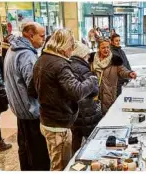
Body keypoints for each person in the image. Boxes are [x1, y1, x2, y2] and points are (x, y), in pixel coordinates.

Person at [31, 29, 99, 171]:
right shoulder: (60, 64)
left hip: (46, 121)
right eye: (70, 47)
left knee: (55, 160)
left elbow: (31, 90)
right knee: (60, 167)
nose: (71, 52)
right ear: (63, 46)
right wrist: (92, 80)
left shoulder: (41, 59)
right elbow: (77, 92)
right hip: (58, 125)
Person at [4, 22, 50, 170]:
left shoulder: (13, 50)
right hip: (31, 112)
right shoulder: (26, 55)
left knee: (24, 150)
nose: (43, 39)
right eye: (41, 36)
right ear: (31, 35)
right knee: (37, 156)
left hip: (20, 110)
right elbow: (34, 87)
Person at [88, 39, 137, 115]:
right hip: (95, 94)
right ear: (98, 48)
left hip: (109, 94)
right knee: (96, 116)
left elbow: (122, 70)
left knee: (108, 115)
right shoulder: (92, 60)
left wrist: (129, 73)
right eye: (103, 48)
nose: (106, 49)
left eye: (108, 47)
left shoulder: (114, 60)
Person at [70, 41, 102, 154]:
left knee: (76, 138)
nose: (89, 57)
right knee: (91, 139)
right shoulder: (82, 69)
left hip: (73, 110)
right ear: (82, 55)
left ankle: (74, 163)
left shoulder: (68, 65)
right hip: (86, 111)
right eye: (87, 55)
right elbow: (93, 91)